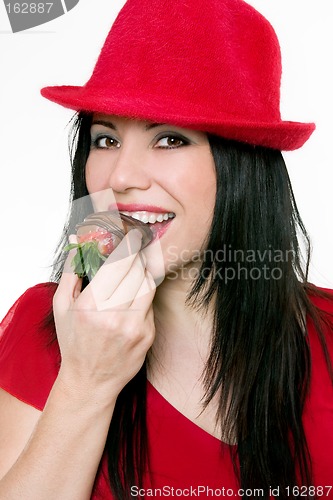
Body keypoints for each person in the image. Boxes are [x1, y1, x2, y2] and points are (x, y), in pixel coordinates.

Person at [0, 0, 332, 498]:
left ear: (244, 166)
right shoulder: (40, 326)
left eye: (170, 139)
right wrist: (87, 381)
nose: (120, 178)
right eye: (105, 139)